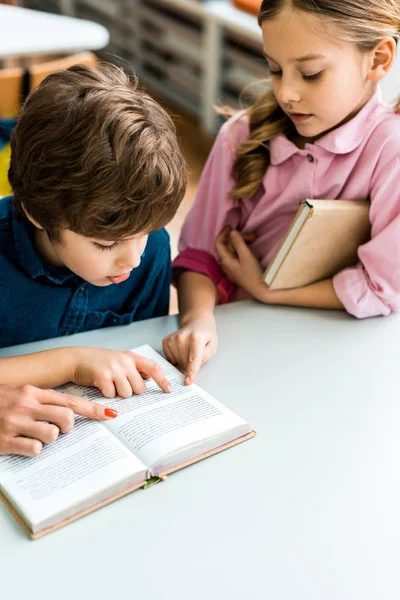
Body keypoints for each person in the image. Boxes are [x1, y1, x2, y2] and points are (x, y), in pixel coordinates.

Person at [163, 0, 400, 384]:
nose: (286, 92)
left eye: (310, 73)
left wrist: (268, 291)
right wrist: (199, 320)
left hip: (341, 357)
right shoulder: (239, 137)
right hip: (241, 346)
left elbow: (382, 287)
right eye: (274, 69)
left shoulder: (391, 150)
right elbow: (199, 254)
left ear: (378, 60)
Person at [0, 62, 186, 454]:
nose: (132, 260)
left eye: (144, 235)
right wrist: (71, 361)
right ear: (37, 213)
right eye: (106, 244)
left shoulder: (149, 251)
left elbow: (138, 350)